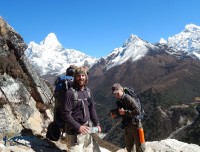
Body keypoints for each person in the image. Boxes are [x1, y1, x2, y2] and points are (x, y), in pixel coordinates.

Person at [61, 66, 102, 152]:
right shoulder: (70, 93)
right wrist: (78, 127)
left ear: (86, 77)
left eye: (83, 75)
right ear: (75, 77)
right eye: (78, 76)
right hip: (74, 134)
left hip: (87, 130)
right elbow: (65, 114)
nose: (81, 78)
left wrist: (97, 123)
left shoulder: (88, 92)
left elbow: (92, 109)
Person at [111, 83, 144, 152]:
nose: (116, 95)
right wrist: (116, 114)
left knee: (140, 148)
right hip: (127, 126)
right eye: (114, 94)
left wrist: (125, 112)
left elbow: (138, 111)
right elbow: (122, 112)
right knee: (129, 148)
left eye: (117, 93)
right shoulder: (119, 100)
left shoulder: (127, 98)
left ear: (121, 90)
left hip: (136, 126)